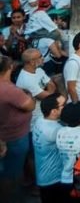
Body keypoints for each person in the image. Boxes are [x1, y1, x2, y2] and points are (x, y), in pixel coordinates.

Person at [0, 55, 34, 198]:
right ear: (10, 68)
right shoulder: (8, 90)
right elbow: (30, 105)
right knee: (12, 173)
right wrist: (30, 96)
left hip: (7, 136)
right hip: (14, 137)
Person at [33, 94, 65, 203]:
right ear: (53, 111)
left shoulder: (39, 120)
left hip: (42, 176)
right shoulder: (55, 130)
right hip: (54, 179)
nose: (66, 107)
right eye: (63, 105)